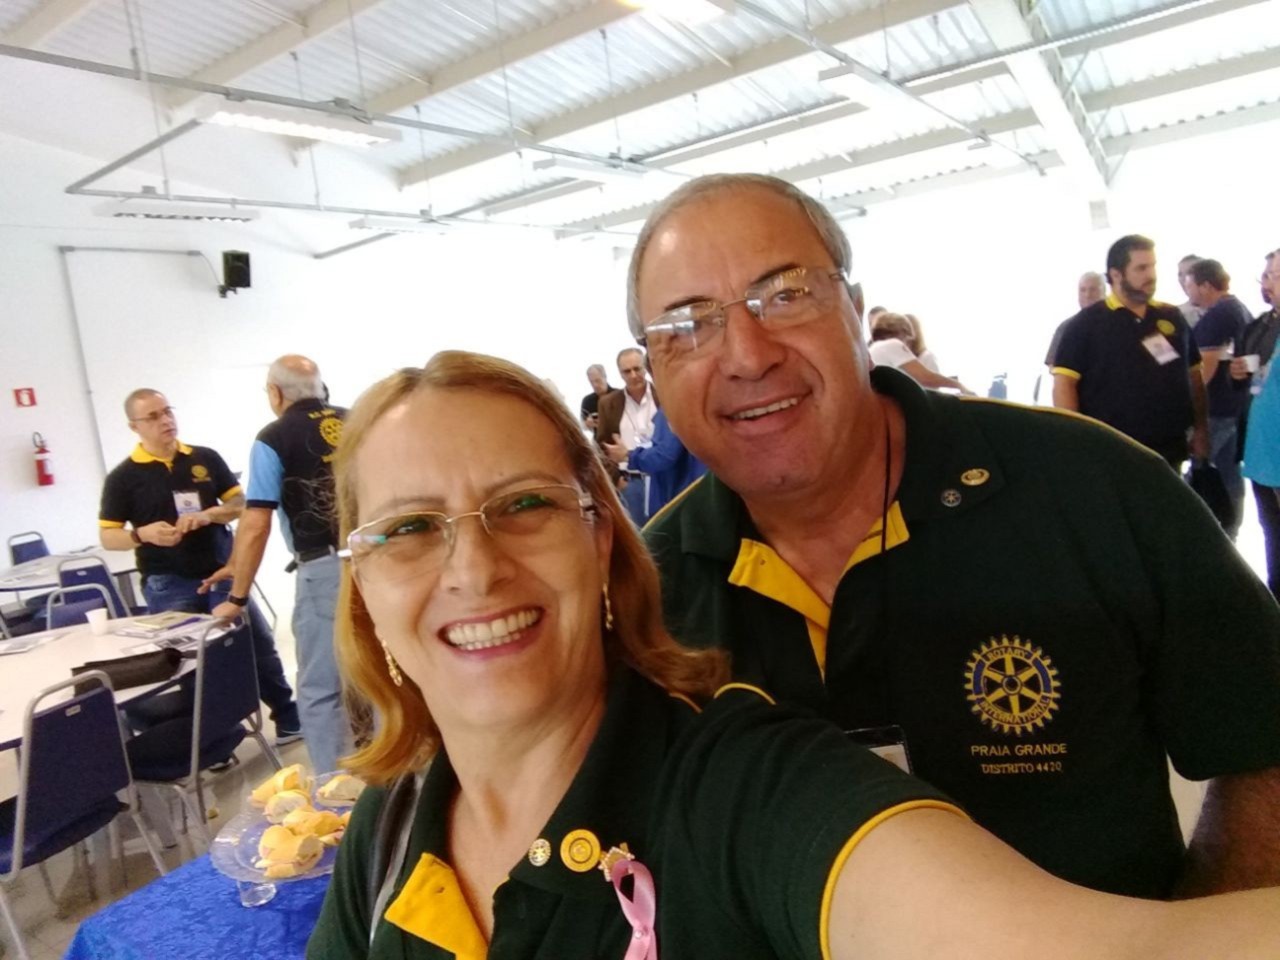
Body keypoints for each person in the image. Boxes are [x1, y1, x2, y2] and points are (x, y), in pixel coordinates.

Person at [307, 352, 1280, 960]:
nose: (474, 569)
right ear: (361, 590)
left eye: (523, 505)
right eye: (408, 528)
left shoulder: (748, 789)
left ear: (601, 537)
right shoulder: (392, 831)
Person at [627, 173, 1280, 899]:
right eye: (686, 325)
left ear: (854, 311)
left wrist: (1198, 933)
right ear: (653, 371)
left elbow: (1266, 742)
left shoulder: (1093, 488)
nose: (749, 355)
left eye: (784, 295)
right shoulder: (645, 593)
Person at [98, 388, 301, 743]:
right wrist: (141, 534)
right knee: (191, 664)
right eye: (153, 416)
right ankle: (215, 739)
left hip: (222, 572)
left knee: (255, 645)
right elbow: (108, 537)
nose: (166, 420)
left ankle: (287, 716)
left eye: (168, 411)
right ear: (134, 426)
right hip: (169, 582)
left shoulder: (204, 458)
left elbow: (241, 505)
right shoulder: (123, 478)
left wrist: (209, 515)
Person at [203, 355, 353, 775]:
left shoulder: (273, 438)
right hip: (379, 559)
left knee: (320, 689)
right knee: (381, 674)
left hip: (325, 570)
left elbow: (256, 523)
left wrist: (237, 596)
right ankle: (399, 783)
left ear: (275, 392)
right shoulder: (358, 421)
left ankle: (335, 794)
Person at [1053, 235, 1209, 470]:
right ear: (1116, 275)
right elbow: (1064, 385)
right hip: (1111, 453)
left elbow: (1194, 376)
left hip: (1170, 451)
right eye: (1141, 268)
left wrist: (1201, 429)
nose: (1151, 275)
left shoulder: (1171, 316)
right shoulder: (1085, 324)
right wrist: (1076, 443)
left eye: (1153, 266)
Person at [1188, 258, 1252, 537]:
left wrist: (1187, 403)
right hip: (1235, 407)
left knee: (1199, 471)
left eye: (1189, 283)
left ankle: (1200, 534)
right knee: (1228, 473)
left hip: (1216, 410)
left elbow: (1206, 368)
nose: (1187, 290)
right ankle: (1230, 531)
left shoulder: (1218, 316)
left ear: (1205, 286)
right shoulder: (1238, 309)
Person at [1234, 250, 1280, 596]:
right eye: (1268, 275)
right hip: (1263, 453)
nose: (1269, 283)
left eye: (1276, 276)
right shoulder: (1261, 326)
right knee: (1272, 532)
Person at [602, 408, 706, 521]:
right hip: (697, 486)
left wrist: (628, 455)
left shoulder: (672, 407)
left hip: (679, 494)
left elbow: (665, 455)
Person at [596, 347, 659, 525]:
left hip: (662, 477)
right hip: (631, 481)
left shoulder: (663, 394)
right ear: (620, 374)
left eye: (637, 369)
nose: (633, 375)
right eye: (627, 371)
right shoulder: (608, 404)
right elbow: (602, 445)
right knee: (642, 536)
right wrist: (616, 479)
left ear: (645, 367)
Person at [868, 312, 970, 393]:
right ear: (903, 331)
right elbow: (925, 378)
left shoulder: (873, 349)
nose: (908, 346)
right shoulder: (892, 344)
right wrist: (957, 385)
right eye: (909, 341)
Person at [579, 363, 614, 431]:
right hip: (598, 436)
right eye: (591, 382)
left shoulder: (620, 396)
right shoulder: (587, 401)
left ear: (605, 377)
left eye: (597, 381)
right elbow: (582, 426)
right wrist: (587, 424)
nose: (595, 385)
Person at [1177, 254, 1204, 327]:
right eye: (1180, 274)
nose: (1183, 279)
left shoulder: (1223, 310)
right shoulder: (1176, 313)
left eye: (1189, 273)